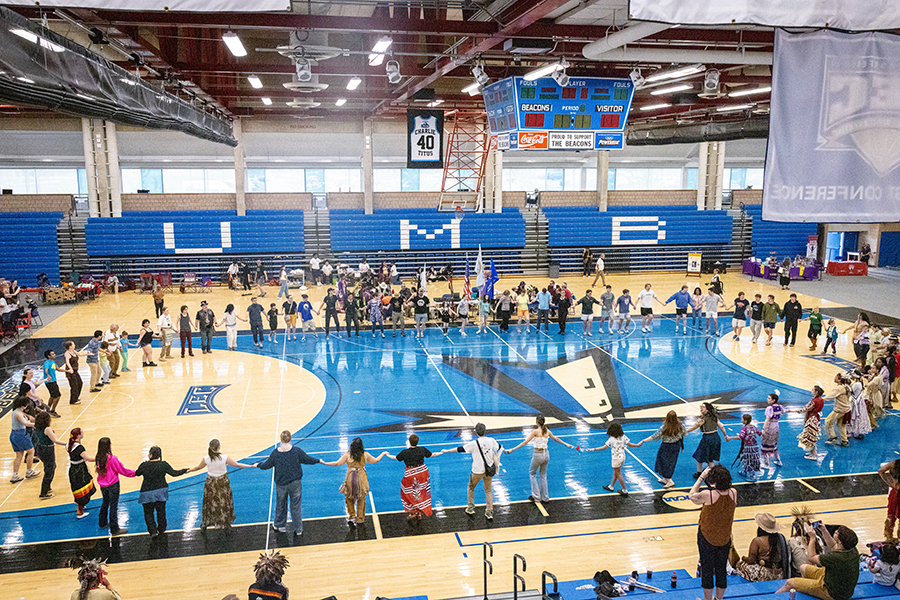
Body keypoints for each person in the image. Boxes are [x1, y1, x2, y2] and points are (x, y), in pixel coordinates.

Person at [257, 430, 323, 536]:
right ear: (290, 438)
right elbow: (307, 459)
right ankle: (298, 529)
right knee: (296, 506)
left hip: (281, 484)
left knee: (281, 504)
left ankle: (279, 525)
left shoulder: (275, 453)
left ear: (280, 439)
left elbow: (266, 465)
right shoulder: (296, 451)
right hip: (295, 483)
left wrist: (258, 465)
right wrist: (318, 460)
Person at [690, 465, 737, 600]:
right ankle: (719, 598)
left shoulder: (708, 494)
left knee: (707, 568)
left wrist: (701, 477)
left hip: (707, 536)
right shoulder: (734, 492)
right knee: (721, 568)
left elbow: (691, 496)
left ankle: (707, 599)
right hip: (725, 537)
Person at [776, 524, 860, 600]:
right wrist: (824, 531)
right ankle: (808, 590)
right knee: (803, 568)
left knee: (789, 583)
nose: (835, 531)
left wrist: (812, 538)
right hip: (839, 585)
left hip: (833, 594)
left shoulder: (835, 558)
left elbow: (811, 558)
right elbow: (834, 546)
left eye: (837, 533)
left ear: (840, 542)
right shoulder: (852, 549)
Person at [186, 438, 255, 531]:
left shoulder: (206, 458)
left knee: (210, 503)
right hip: (222, 484)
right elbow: (237, 465)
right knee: (224, 503)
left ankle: (205, 523)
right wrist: (250, 466)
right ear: (219, 447)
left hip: (211, 484)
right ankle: (225, 523)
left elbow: (198, 467)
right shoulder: (224, 458)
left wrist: (189, 470)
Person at [504, 415, 573, 503]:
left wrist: (512, 449)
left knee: (532, 473)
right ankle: (545, 497)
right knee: (543, 475)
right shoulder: (547, 431)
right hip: (546, 455)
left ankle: (536, 497)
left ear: (537, 422)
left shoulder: (535, 431)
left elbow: (525, 442)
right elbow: (556, 439)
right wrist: (566, 444)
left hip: (538, 454)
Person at [322, 437, 388, 526]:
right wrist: (383, 453)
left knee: (349, 497)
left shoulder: (348, 455)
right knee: (361, 498)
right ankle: (360, 518)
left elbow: (337, 463)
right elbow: (375, 460)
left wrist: (325, 463)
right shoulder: (365, 454)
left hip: (350, 478)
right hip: (361, 478)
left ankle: (352, 515)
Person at [446, 423, 501, 520]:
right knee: (488, 490)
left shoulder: (474, 444)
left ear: (475, 432)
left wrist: (447, 451)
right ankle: (489, 512)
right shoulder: (491, 440)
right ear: (485, 430)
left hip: (477, 471)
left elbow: (460, 449)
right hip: (489, 469)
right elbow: (499, 447)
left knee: (471, 487)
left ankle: (470, 508)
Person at [135, 445, 188, 537]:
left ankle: (152, 531)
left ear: (150, 455)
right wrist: (184, 470)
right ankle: (161, 529)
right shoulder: (164, 464)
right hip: (161, 491)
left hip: (147, 492)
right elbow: (174, 473)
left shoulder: (144, 465)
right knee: (161, 511)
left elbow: (137, 473)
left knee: (148, 513)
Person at [386, 434, 439, 520]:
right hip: (422, 474)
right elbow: (432, 454)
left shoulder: (405, 452)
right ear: (417, 441)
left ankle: (413, 511)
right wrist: (441, 452)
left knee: (408, 493)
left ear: (409, 442)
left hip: (411, 475)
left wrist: (386, 454)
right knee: (420, 492)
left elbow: (396, 458)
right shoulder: (422, 449)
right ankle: (419, 511)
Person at [586, 421, 642, 496]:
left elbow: (604, 447)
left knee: (618, 473)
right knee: (616, 472)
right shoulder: (623, 437)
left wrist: (593, 449)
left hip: (616, 458)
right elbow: (630, 444)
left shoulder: (611, 439)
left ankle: (624, 490)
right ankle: (611, 486)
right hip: (622, 456)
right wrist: (637, 445)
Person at [730, 513, 789, 582]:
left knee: (740, 565)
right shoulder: (780, 538)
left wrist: (743, 558)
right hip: (779, 574)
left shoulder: (757, 541)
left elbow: (751, 561)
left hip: (765, 574)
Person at [95, 437, 135, 535]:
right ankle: (114, 529)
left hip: (103, 485)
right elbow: (122, 470)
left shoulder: (98, 457)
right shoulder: (112, 459)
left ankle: (102, 522)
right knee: (113, 506)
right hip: (113, 485)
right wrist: (135, 473)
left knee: (105, 503)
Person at [685, 402, 734, 478]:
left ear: (707, 409)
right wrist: (725, 436)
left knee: (699, 456)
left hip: (707, 438)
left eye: (703, 407)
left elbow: (693, 427)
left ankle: (699, 473)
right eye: (701, 406)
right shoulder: (714, 417)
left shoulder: (702, 419)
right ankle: (712, 473)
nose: (701, 408)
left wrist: (684, 431)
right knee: (710, 459)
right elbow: (722, 427)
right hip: (716, 437)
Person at [639, 410, 684, 489]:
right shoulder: (680, 425)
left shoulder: (664, 427)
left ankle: (670, 481)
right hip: (676, 446)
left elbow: (655, 436)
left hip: (666, 446)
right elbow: (684, 434)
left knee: (664, 462)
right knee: (671, 462)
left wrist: (643, 440)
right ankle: (665, 479)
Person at [32, 410, 66, 498]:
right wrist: (68, 443)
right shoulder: (47, 429)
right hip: (47, 449)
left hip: (40, 448)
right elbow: (55, 440)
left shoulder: (36, 427)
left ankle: (47, 487)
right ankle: (43, 492)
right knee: (49, 470)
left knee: (50, 467)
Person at [8, 395, 39, 483]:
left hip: (14, 434)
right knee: (31, 451)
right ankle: (29, 471)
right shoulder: (19, 414)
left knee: (19, 455)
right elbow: (25, 423)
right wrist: (36, 424)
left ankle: (15, 475)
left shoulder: (15, 411)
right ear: (23, 405)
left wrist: (28, 417)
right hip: (21, 434)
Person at [67, 428, 95, 519]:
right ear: (78, 435)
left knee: (77, 488)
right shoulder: (79, 448)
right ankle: (80, 510)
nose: (83, 433)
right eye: (81, 432)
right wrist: (102, 459)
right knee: (82, 488)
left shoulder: (68, 445)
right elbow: (89, 459)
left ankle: (81, 504)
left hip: (73, 469)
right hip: (80, 470)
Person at [794, 385, 826, 460]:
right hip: (816, 419)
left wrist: (800, 411)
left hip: (811, 419)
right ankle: (812, 452)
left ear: (816, 392)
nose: (811, 391)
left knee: (810, 436)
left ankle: (814, 455)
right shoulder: (821, 399)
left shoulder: (814, 401)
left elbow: (807, 408)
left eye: (813, 390)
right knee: (812, 436)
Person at [823, 372, 851, 447]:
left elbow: (831, 395)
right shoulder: (847, 386)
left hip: (839, 410)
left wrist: (821, 399)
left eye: (836, 376)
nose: (834, 377)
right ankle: (844, 441)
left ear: (839, 380)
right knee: (841, 424)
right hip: (846, 409)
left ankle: (833, 438)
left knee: (828, 421)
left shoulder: (839, 388)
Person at [878, 459, 900, 542]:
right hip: (896, 493)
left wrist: (889, 482)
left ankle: (888, 538)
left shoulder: (894, 463)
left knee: (890, 515)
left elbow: (881, 471)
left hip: (894, 492)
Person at [760, 392, 784, 468]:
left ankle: (766, 463)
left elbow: (767, 419)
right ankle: (778, 460)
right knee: (774, 444)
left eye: (769, 398)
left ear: (773, 400)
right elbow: (785, 411)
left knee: (765, 444)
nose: (767, 399)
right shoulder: (780, 407)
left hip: (770, 427)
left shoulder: (769, 408)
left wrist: (763, 428)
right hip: (776, 426)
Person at [736, 414, 762, 480]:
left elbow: (740, 437)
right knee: (747, 460)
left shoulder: (744, 428)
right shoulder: (754, 427)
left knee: (748, 461)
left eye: (742, 419)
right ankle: (743, 471)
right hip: (755, 448)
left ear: (745, 421)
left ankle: (752, 477)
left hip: (748, 448)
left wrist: (730, 438)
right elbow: (759, 433)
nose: (741, 420)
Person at [847, 374, 871, 440]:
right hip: (859, 401)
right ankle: (859, 431)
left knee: (857, 416)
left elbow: (850, 391)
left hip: (856, 402)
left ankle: (857, 431)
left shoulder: (857, 384)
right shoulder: (859, 383)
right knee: (860, 416)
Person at [42, 349, 64, 417]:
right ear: (49, 356)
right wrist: (48, 375)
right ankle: (52, 410)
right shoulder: (47, 363)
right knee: (57, 396)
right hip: (50, 382)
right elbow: (46, 370)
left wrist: (67, 371)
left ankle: (47, 410)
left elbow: (58, 369)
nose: (54, 355)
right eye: (53, 354)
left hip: (53, 381)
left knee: (52, 396)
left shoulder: (53, 362)